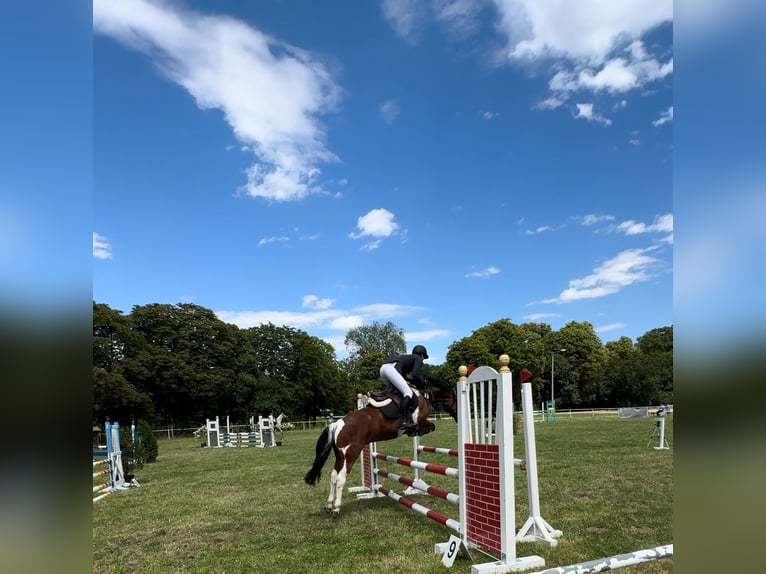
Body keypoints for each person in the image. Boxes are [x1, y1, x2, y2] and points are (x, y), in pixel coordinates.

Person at [380, 345, 429, 433]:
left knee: (395, 393)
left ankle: (392, 415)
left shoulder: (407, 358)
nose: (423, 360)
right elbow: (414, 374)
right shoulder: (417, 358)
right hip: (390, 370)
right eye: (423, 357)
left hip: (383, 369)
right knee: (408, 393)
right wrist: (422, 381)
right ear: (421, 355)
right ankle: (404, 421)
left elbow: (405, 378)